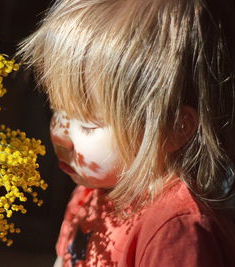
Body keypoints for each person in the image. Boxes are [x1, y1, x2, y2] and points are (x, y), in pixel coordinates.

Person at [17, 0, 235, 266]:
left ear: (173, 129)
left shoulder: (175, 232)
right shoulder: (91, 192)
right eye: (58, 111)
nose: (61, 135)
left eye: (88, 124)